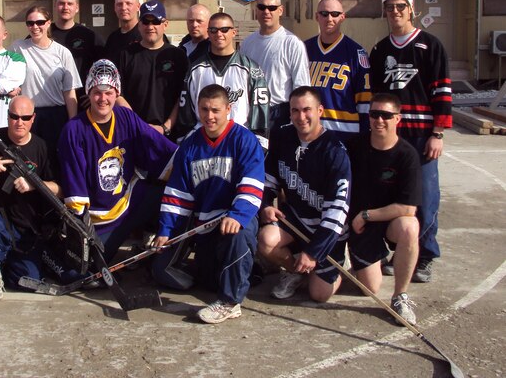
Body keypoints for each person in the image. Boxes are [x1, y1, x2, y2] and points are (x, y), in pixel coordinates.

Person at [153, 84, 264, 324]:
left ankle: (230, 302)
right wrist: (165, 231)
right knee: (176, 273)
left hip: (233, 220)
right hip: (205, 226)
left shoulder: (244, 140)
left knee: (240, 233)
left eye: (215, 110)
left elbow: (252, 186)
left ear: (228, 109)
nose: (209, 116)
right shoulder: (190, 145)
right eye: (204, 109)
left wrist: (237, 215)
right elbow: (178, 194)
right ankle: (247, 271)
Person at [369, 0, 452, 283]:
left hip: (421, 136)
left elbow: (442, 91)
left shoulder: (430, 45)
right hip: (391, 136)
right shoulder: (380, 50)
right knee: (393, 195)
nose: (395, 12)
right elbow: (377, 96)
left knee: (426, 197)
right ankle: (400, 250)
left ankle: (426, 255)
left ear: (411, 8)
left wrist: (438, 133)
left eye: (401, 6)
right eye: (390, 7)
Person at [59, 59, 177, 260]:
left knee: (169, 193)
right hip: (98, 217)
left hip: (129, 199)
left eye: (108, 93)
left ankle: (161, 255)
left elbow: (156, 145)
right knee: (90, 270)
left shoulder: (125, 116)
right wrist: (81, 227)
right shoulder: (74, 129)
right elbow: (74, 182)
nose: (102, 99)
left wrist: (190, 160)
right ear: (88, 92)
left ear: (116, 94)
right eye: (97, 92)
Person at [0, 96, 65, 300]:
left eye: (25, 117)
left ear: (33, 118)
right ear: (8, 116)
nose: (20, 122)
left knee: (28, 279)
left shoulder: (42, 147)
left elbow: (60, 188)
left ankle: (6, 263)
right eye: (14, 116)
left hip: (26, 223)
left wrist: (34, 185)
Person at [258, 86, 350, 303]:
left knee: (319, 294)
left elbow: (337, 212)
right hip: (296, 222)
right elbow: (268, 181)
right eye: (295, 111)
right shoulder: (282, 137)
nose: (301, 117)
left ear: (320, 111)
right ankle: (296, 271)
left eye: (307, 110)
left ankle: (334, 262)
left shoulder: (334, 150)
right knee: (266, 240)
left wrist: (314, 251)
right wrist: (265, 205)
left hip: (326, 229)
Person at [346, 93, 422, 324]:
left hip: (386, 221)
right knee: (369, 288)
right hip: (362, 228)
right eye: (374, 114)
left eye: (386, 115)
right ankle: (367, 265)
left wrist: (367, 215)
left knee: (410, 227)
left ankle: (400, 296)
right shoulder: (355, 147)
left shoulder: (407, 155)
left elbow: (408, 208)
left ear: (398, 119)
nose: (379, 120)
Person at [178, 12, 269, 145]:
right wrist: (185, 141)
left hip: (239, 142)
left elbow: (260, 112)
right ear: (208, 33)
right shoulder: (195, 70)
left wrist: (260, 144)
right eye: (214, 30)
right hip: (204, 142)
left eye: (224, 30)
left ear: (234, 32)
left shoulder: (251, 69)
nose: (219, 34)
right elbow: (186, 113)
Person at [12, 6, 82, 163]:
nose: (35, 27)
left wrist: (73, 125)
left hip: (56, 116)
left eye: (40, 22)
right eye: (30, 23)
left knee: (54, 161)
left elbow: (69, 93)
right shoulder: (18, 48)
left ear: (49, 23)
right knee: (29, 162)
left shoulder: (62, 53)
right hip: (29, 116)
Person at [117, 0, 188, 137]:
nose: (150, 26)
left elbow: (183, 97)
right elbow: (118, 94)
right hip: (133, 133)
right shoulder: (125, 55)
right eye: (145, 21)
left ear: (165, 24)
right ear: (139, 25)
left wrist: (166, 127)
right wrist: (138, 125)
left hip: (168, 134)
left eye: (155, 21)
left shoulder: (178, 56)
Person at [305, 0, 372, 142]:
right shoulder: (303, 49)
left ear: (342, 17)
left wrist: (364, 136)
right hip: (309, 131)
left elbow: (364, 102)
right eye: (324, 14)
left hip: (345, 134)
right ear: (317, 16)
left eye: (335, 14)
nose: (329, 18)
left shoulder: (356, 53)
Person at [241, 0, 310, 130]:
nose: (266, 11)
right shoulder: (247, 43)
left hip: (280, 113)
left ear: (280, 10)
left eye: (271, 8)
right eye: (261, 7)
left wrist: (295, 120)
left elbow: (301, 87)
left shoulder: (292, 43)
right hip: (252, 113)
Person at [50, 0, 105, 108]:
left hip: (82, 101)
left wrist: (95, 91)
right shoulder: (45, 34)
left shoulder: (89, 35)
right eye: (61, 3)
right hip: (51, 100)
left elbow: (105, 66)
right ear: (55, 6)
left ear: (77, 8)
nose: (65, 7)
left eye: (70, 4)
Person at [104, 0, 141, 66]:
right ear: (115, 8)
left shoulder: (146, 35)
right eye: (119, 4)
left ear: (138, 7)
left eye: (128, 3)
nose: (124, 8)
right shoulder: (112, 39)